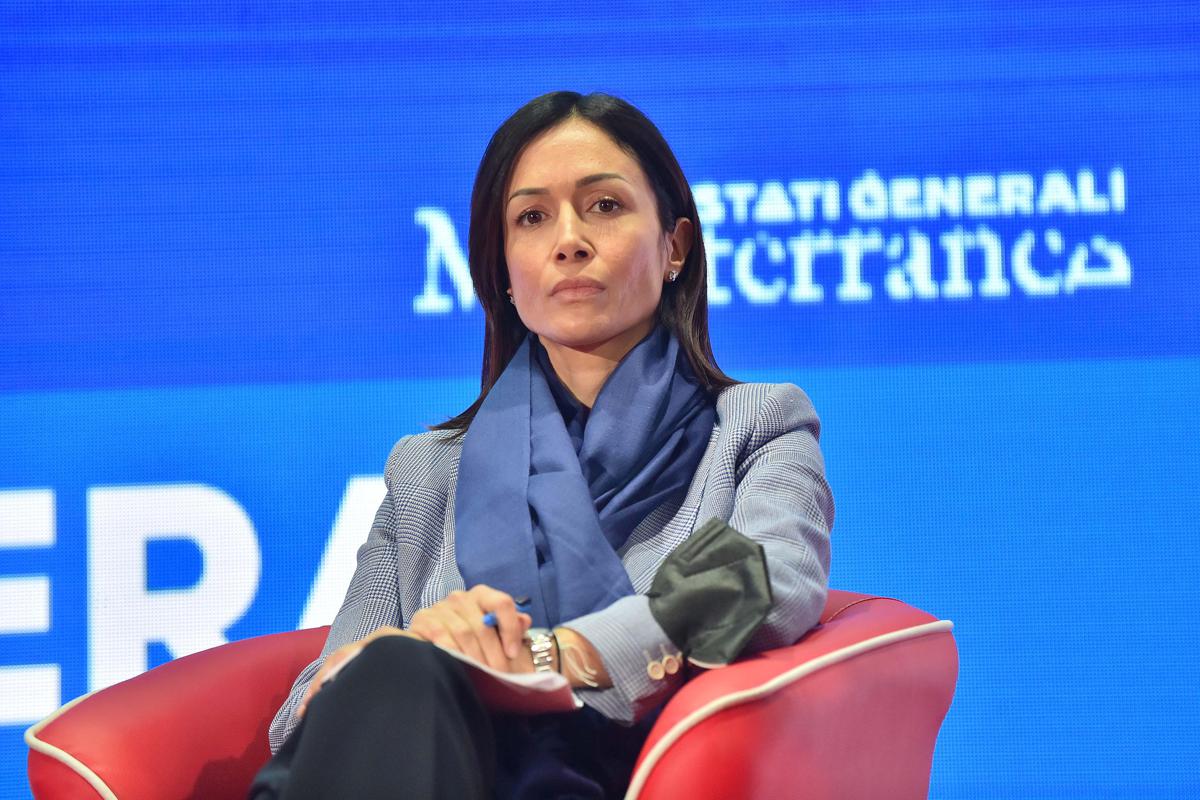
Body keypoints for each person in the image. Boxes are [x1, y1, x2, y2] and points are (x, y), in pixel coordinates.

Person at [250, 91, 833, 799]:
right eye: (532, 217)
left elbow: (763, 583)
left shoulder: (755, 427)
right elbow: (312, 702)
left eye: (604, 206)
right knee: (397, 673)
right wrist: (412, 647)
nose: (569, 241)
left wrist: (541, 657)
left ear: (675, 246)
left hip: (615, 774)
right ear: (502, 269)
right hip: (414, 764)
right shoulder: (426, 470)